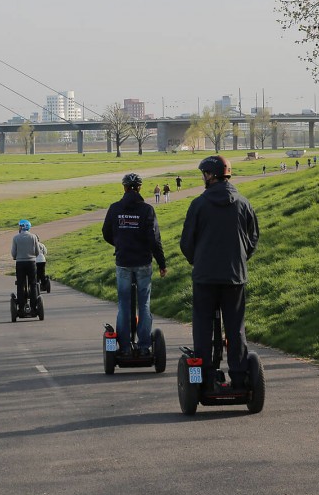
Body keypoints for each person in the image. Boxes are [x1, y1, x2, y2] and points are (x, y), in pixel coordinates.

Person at [180, 155, 259, 388]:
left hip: (205, 277)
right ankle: (239, 376)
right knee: (235, 327)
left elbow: (187, 242)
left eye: (204, 174)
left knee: (203, 326)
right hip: (235, 276)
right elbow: (253, 238)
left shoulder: (198, 204)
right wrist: (241, 259)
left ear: (211, 175)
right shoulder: (243, 203)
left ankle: (204, 375)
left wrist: (197, 260)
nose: (203, 178)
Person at [102, 173, 167, 356]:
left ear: (124, 188)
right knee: (144, 304)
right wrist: (162, 263)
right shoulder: (147, 210)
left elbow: (106, 232)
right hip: (143, 262)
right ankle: (144, 346)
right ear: (139, 188)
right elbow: (154, 240)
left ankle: (124, 348)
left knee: (124, 304)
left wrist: (120, 243)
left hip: (123, 262)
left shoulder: (115, 208)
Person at [11, 220, 41, 311]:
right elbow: (37, 251)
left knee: (20, 284)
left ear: (22, 227)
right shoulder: (33, 237)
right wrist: (33, 256)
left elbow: (13, 252)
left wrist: (16, 257)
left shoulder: (16, 238)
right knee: (33, 284)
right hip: (31, 262)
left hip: (20, 263)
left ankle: (21, 306)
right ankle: (33, 306)